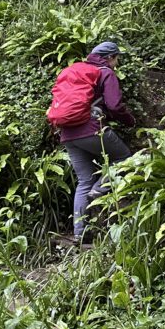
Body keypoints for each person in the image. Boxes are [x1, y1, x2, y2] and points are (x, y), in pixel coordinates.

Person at [56, 41, 135, 241]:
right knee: (124, 157)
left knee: (83, 181)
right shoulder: (105, 72)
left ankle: (79, 234)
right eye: (116, 58)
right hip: (90, 129)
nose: (117, 63)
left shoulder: (77, 72)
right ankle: (99, 189)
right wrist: (130, 121)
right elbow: (115, 105)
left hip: (67, 134)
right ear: (109, 57)